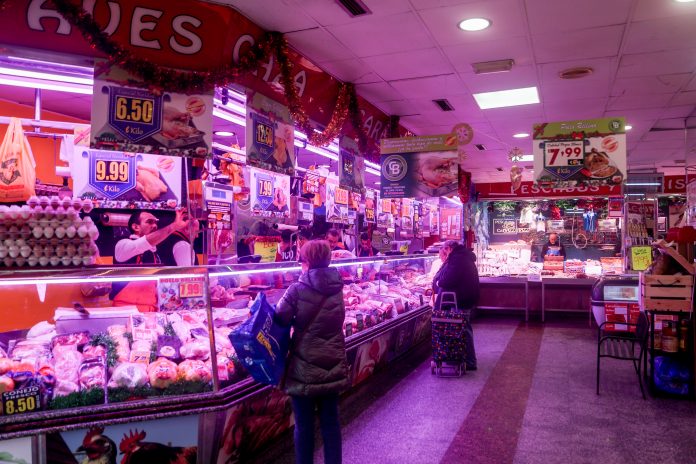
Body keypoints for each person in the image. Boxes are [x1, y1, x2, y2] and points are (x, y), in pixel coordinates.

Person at [275, 240, 349, 464]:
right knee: (331, 424)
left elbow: (280, 317)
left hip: (303, 366)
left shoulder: (297, 289)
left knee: (304, 426)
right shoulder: (337, 287)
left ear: (306, 262)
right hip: (332, 362)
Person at [433, 240, 479, 371]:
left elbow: (448, 280)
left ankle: (469, 361)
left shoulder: (457, 258)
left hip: (461, 298)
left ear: (448, 249)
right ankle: (462, 358)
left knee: (463, 329)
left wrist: (439, 282)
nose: (444, 255)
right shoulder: (463, 256)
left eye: (444, 251)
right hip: (467, 297)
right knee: (464, 328)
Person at [114, 209, 188, 265]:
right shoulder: (122, 245)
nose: (155, 226)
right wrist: (174, 226)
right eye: (149, 222)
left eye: (155, 222)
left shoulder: (154, 250)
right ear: (136, 227)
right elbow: (144, 242)